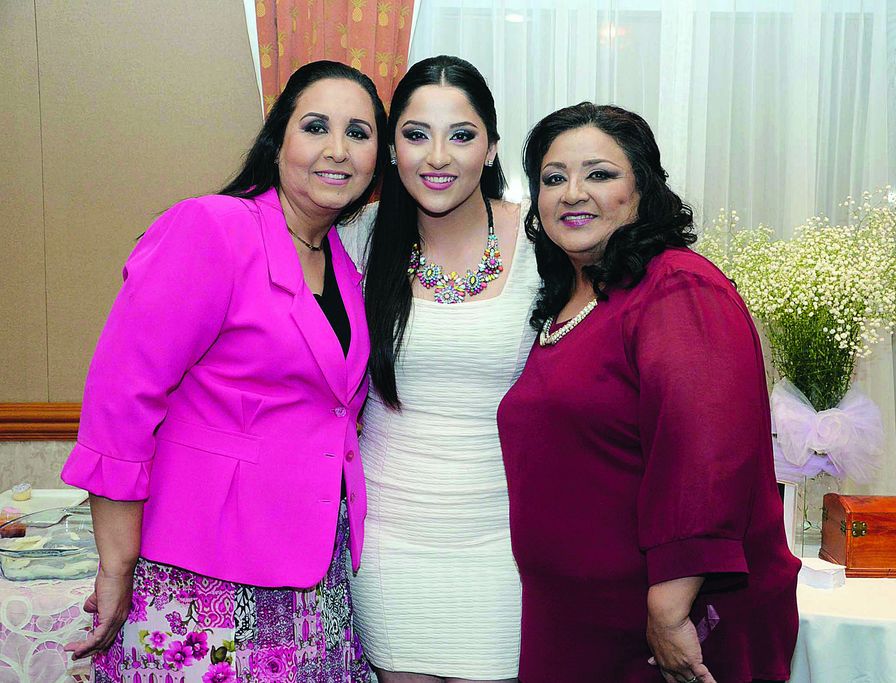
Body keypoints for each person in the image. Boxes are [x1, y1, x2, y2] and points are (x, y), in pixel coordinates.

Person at [60, 60, 388, 683]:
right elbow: (123, 395)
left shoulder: (343, 263)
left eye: (359, 133)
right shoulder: (213, 227)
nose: (338, 150)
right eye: (315, 126)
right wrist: (116, 560)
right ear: (278, 140)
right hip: (201, 575)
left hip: (313, 577)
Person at [496, 102, 800, 683]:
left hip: (658, 625)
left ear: (643, 189)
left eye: (599, 174)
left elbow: (706, 455)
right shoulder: (572, 299)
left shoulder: (677, 286)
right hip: (575, 620)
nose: (572, 193)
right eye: (553, 178)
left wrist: (670, 606)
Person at [339, 55, 538, 682]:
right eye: (417, 134)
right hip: (389, 541)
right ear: (391, 148)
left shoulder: (542, 241)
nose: (438, 157)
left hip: (503, 542)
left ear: (492, 147)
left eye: (461, 135)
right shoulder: (355, 237)